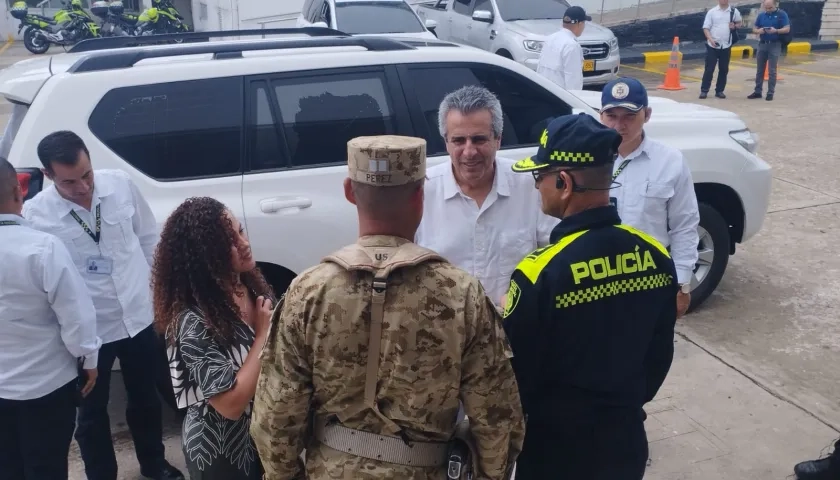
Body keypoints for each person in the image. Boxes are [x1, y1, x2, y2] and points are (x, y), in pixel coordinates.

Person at [251, 135, 525, 479]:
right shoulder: (461, 294)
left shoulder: (306, 293)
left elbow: (274, 418)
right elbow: (498, 419)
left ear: (350, 192)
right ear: (420, 197)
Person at [501, 113, 678, 480]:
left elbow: (516, 379)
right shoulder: (656, 255)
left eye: (540, 176)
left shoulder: (539, 272)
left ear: (563, 182)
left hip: (555, 451)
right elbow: (659, 355)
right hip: (625, 440)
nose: (538, 187)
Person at [22, 131, 184, 480]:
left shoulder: (120, 186)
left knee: (145, 397)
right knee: (91, 413)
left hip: (137, 316)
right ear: (48, 175)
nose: (82, 187)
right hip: (89, 330)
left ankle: (153, 463)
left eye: (87, 175)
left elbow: (148, 238)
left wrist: (159, 295)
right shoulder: (37, 215)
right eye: (69, 181)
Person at [152, 196, 275, 480]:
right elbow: (230, 404)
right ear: (205, 255)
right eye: (228, 242)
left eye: (240, 232)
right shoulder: (192, 320)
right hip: (220, 452)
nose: (243, 244)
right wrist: (263, 336)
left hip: (263, 438)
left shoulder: (250, 287)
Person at [0, 157, 102, 480]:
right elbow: (76, 316)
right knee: (46, 469)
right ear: (20, 190)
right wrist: (88, 359)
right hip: (45, 388)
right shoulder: (43, 249)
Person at [415, 85, 558, 308]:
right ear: (446, 142)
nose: (469, 152)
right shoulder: (422, 192)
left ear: (498, 139)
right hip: (446, 335)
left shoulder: (531, 186)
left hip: (515, 330)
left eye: (479, 139)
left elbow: (554, 262)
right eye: (459, 140)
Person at [599, 77, 699, 317]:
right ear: (600, 116)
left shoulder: (670, 162)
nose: (619, 126)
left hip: (650, 278)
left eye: (629, 116)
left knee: (650, 350)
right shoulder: (587, 161)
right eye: (611, 116)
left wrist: (682, 284)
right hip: (596, 280)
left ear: (647, 114)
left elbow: (684, 225)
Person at [535, 5, 590, 91]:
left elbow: (540, 68)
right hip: (560, 98)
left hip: (544, 92)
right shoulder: (571, 45)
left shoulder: (550, 38)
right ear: (580, 24)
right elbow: (573, 81)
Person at [748, 0, 790, 101]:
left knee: (772, 70)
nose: (768, 9)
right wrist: (759, 31)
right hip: (762, 44)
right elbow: (754, 28)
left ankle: (770, 92)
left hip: (775, 44)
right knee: (759, 70)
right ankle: (758, 91)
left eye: (770, 7)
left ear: (775, 5)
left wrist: (776, 30)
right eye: (766, 7)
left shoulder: (781, 14)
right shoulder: (762, 15)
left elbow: (787, 28)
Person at [699, 0, 742, 99]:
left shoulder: (734, 11)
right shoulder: (712, 12)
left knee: (723, 69)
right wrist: (710, 39)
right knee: (709, 69)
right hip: (712, 45)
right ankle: (704, 90)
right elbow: (706, 28)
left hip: (726, 45)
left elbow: (739, 23)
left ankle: (719, 91)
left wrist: (735, 26)